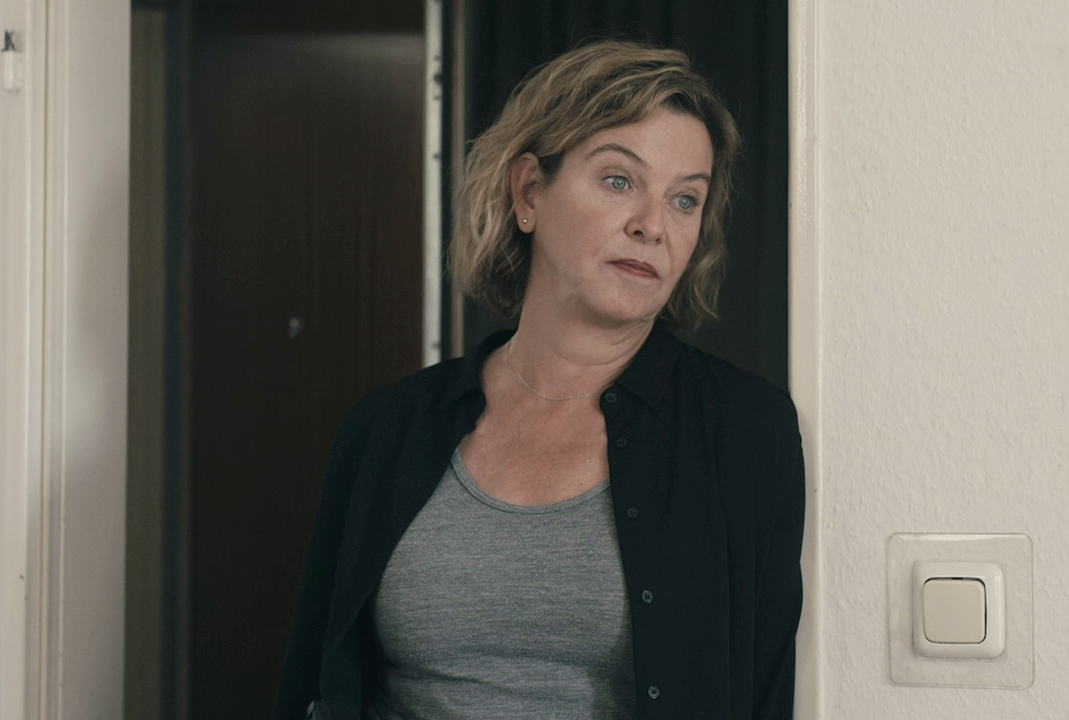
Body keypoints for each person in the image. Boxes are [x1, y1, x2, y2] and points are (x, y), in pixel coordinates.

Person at [273, 39, 804, 720]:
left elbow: (763, 692)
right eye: (619, 180)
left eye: (684, 199)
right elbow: (311, 681)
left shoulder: (746, 431)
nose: (652, 226)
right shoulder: (385, 428)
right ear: (529, 191)